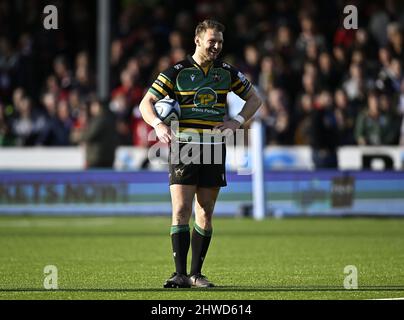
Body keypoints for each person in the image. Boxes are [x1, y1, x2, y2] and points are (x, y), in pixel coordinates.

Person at [139, 19, 262, 288]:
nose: (216, 46)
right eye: (211, 41)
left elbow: (255, 99)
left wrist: (236, 121)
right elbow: (145, 103)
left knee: (205, 212)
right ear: (197, 40)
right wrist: (158, 124)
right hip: (186, 146)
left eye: (219, 41)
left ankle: (196, 275)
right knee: (181, 210)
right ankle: (179, 274)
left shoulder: (227, 73)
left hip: (214, 147)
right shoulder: (177, 72)